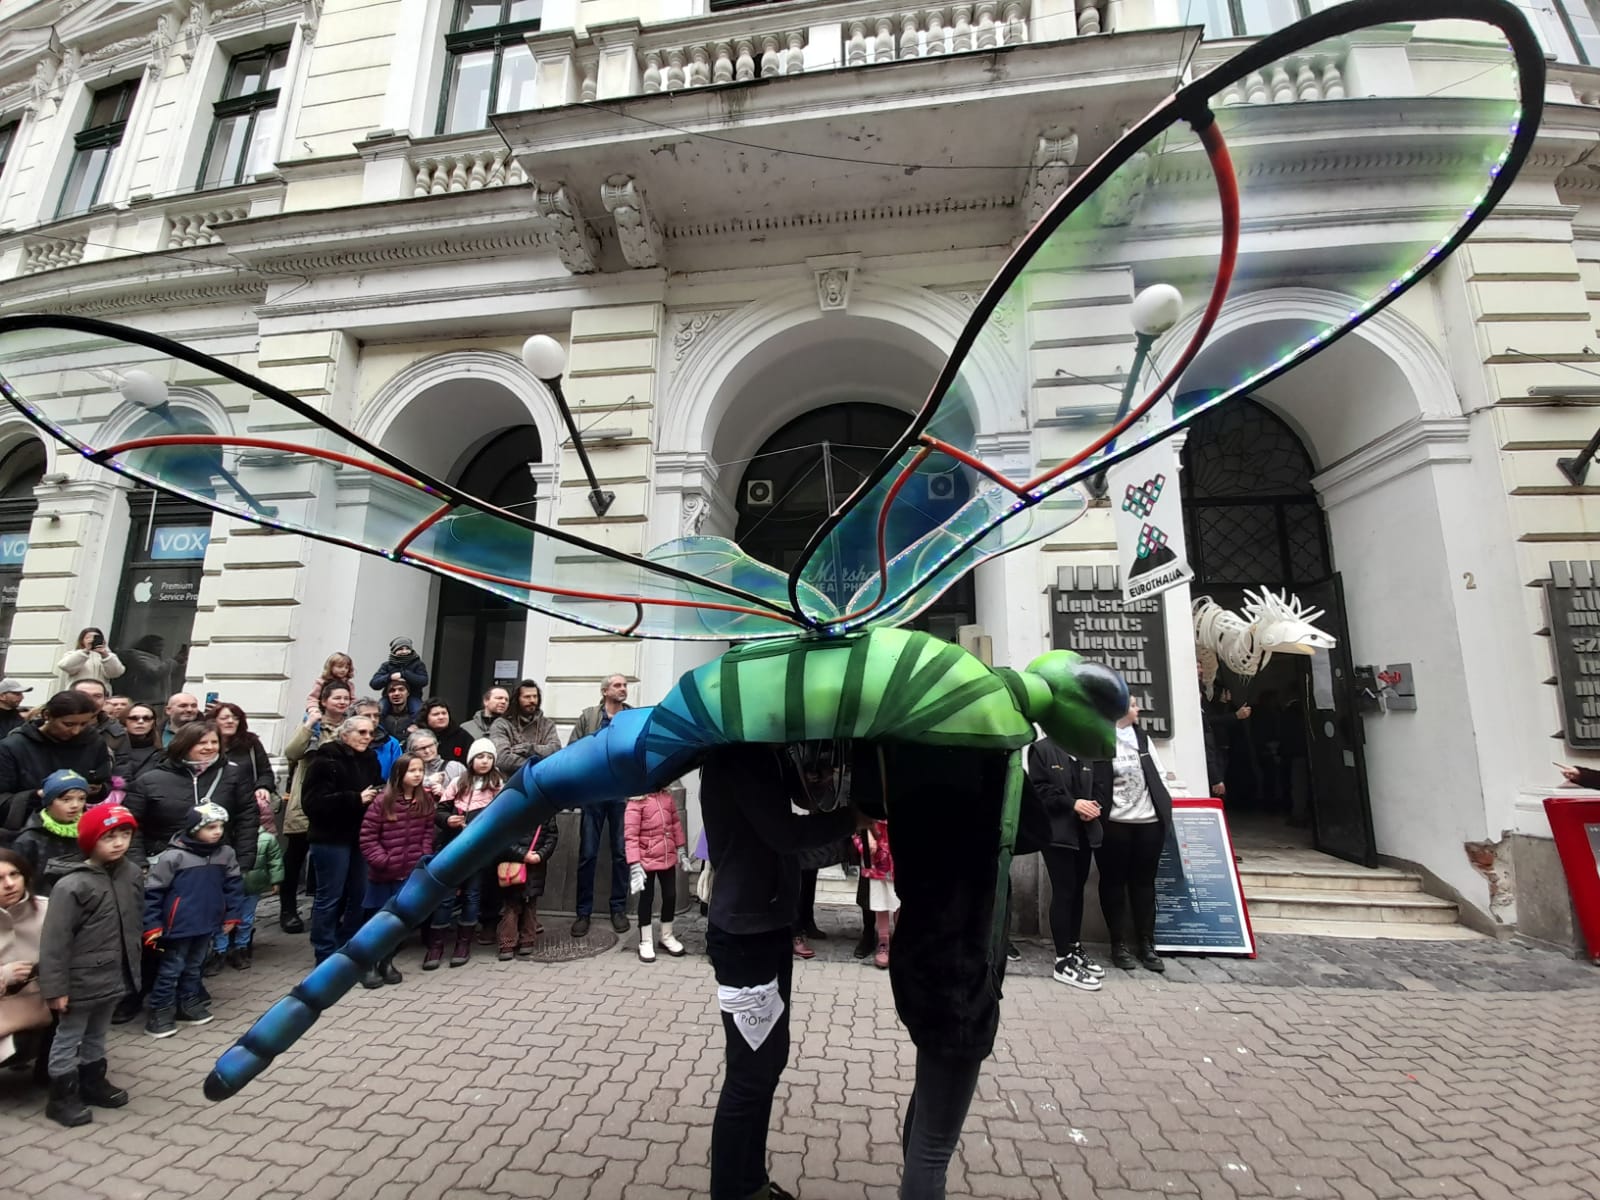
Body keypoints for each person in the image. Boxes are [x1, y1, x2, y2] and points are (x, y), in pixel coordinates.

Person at [700, 743, 862, 1200]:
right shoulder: (737, 757)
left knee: (768, 1064)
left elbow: (808, 799)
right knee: (749, 1073)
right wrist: (853, 819)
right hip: (744, 935)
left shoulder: (769, 753)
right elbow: (785, 833)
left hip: (769, 924)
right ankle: (731, 1190)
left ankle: (750, 1183)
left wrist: (822, 764)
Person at [37, 800, 142, 1127]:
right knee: (68, 1037)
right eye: (108, 837)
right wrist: (55, 988)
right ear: (89, 841)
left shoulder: (132, 873)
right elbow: (54, 941)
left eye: (125, 835)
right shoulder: (72, 885)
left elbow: (134, 923)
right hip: (79, 981)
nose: (119, 843)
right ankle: (61, 1097)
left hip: (114, 975)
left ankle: (93, 1081)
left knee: (98, 1033)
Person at [141, 801, 242, 1038]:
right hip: (178, 926)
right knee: (171, 969)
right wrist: (153, 924)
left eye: (220, 826)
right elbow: (153, 893)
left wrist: (232, 915)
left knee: (195, 966)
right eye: (211, 827)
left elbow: (234, 887)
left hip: (207, 923)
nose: (217, 831)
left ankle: (188, 1003)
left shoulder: (225, 854)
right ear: (194, 829)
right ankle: (160, 1010)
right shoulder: (173, 857)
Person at [1096, 700, 1172, 973]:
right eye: (1132, 704)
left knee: (1144, 884)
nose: (1138, 708)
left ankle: (1146, 944)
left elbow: (1159, 775)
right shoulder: (1101, 740)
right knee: (1113, 884)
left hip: (1148, 823)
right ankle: (1118, 944)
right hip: (1115, 824)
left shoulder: (1142, 738)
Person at [300, 716, 382, 964]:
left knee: (360, 894)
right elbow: (312, 804)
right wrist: (355, 798)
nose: (367, 737)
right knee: (330, 896)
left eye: (370, 733)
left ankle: (349, 945)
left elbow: (374, 791)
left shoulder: (370, 759)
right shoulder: (325, 761)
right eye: (362, 732)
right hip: (330, 838)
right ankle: (324, 951)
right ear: (344, 735)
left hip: (361, 836)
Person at [1027, 735, 1106, 991]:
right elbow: (1040, 791)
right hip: (1057, 835)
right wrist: (1072, 804)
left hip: (1085, 833)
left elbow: (1101, 785)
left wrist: (1093, 806)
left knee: (1077, 892)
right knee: (1064, 891)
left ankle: (1073, 947)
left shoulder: (1087, 748)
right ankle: (1062, 961)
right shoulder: (1041, 750)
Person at [124, 721, 258, 872]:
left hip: (217, 862)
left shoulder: (234, 775)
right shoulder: (149, 780)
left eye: (214, 742)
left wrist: (243, 863)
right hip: (164, 863)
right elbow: (131, 824)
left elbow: (247, 819)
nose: (210, 747)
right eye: (202, 742)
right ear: (184, 745)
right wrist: (139, 864)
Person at [279, 681, 352, 933]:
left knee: (330, 861)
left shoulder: (352, 727)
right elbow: (292, 752)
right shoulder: (312, 725)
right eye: (337, 698)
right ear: (324, 701)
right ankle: (287, 909)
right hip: (306, 798)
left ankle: (324, 911)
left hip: (336, 802)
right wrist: (310, 724)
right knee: (296, 856)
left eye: (346, 698)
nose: (342, 702)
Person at [358, 754, 434, 988]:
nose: (418, 774)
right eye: (412, 770)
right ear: (400, 773)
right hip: (383, 874)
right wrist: (383, 860)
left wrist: (422, 858)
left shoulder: (426, 800)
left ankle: (387, 961)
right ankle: (367, 963)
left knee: (398, 922)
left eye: (420, 770)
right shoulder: (383, 801)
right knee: (377, 919)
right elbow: (368, 837)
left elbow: (428, 833)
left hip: (410, 872)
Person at [563, 677, 630, 937]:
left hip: (621, 793)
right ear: (604, 691)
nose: (623, 689)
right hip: (593, 792)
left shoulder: (632, 716)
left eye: (625, 685)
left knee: (621, 853)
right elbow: (573, 749)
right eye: (617, 685)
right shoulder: (589, 716)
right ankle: (583, 912)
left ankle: (618, 909)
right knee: (588, 854)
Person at [427, 739, 502, 969]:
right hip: (454, 846)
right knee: (447, 895)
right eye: (480, 757)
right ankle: (436, 946)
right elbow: (440, 811)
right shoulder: (459, 782)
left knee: (472, 895)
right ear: (471, 759)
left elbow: (503, 815)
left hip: (479, 850)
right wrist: (448, 819)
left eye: (489, 757)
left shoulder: (498, 784)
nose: (484, 761)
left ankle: (463, 944)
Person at [0, 691, 113, 843]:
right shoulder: (12, 747)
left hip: (75, 834)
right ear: (47, 715)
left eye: (83, 724)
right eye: (68, 724)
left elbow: (105, 783)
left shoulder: (94, 742)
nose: (76, 731)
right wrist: (38, 796)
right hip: (24, 835)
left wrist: (97, 789)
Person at [0, 848, 52, 1082]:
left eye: (15, 874)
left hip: (42, 1001)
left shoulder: (46, 909)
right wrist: (4, 975)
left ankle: (49, 1066)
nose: (9, 884)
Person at [216, 795, 281, 971]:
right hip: (226, 889)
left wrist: (276, 881)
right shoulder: (223, 840)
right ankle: (219, 951)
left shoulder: (266, 839)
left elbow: (275, 861)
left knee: (246, 919)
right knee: (223, 920)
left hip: (252, 887)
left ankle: (241, 947)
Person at [625, 789, 688, 963]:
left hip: (667, 857)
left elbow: (675, 823)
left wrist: (681, 849)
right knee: (647, 898)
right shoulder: (636, 801)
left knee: (670, 896)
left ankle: (666, 935)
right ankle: (645, 940)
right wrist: (635, 864)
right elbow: (631, 836)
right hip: (646, 861)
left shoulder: (666, 797)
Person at [12, 770, 90, 897]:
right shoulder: (29, 839)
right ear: (49, 802)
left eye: (81, 799)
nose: (75, 805)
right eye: (66, 799)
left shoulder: (88, 830)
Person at [495, 808, 559, 961]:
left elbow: (503, 838)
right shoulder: (545, 812)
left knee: (515, 905)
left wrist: (527, 855)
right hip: (531, 864)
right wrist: (538, 855)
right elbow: (552, 838)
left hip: (521, 863)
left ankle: (509, 943)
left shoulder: (512, 810)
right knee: (524, 904)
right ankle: (525, 941)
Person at [855, 818, 897, 969]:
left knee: (901, 894)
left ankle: (901, 941)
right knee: (880, 893)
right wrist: (867, 832)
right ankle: (883, 940)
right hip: (876, 833)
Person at [70, 679, 131, 777]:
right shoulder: (53, 727)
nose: (90, 701)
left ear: (105, 700)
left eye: (97, 696)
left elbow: (121, 770)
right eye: (83, 695)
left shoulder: (116, 733)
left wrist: (104, 788)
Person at [55, 628, 125, 693]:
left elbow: (116, 673)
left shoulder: (109, 655)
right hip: (78, 692)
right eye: (88, 638)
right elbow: (65, 666)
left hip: (99, 693)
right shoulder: (73, 654)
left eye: (95, 638)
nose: (92, 640)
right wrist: (85, 651)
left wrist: (105, 655)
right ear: (82, 641)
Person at [354, 696, 405, 777]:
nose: (373, 719)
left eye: (376, 715)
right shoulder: (346, 741)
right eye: (367, 716)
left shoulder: (391, 743)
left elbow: (398, 773)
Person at [120, 635, 177, 707]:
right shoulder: (138, 657)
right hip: (146, 699)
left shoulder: (155, 658)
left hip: (157, 699)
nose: (161, 649)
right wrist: (174, 661)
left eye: (162, 646)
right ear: (148, 646)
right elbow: (154, 674)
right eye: (158, 646)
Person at [407, 729, 465, 797]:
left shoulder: (455, 768)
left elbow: (468, 797)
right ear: (412, 751)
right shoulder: (407, 770)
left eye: (430, 745)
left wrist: (445, 794)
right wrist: (428, 782)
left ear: (436, 745)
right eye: (422, 748)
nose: (427, 751)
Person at [418, 699, 473, 765]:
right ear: (426, 717)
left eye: (444, 713)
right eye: (436, 714)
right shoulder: (418, 736)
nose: (441, 717)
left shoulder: (463, 737)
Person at [120, 703, 162, 782]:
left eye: (147, 718)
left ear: (153, 722)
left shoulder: (162, 754)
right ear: (124, 721)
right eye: (134, 718)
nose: (140, 722)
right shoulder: (113, 748)